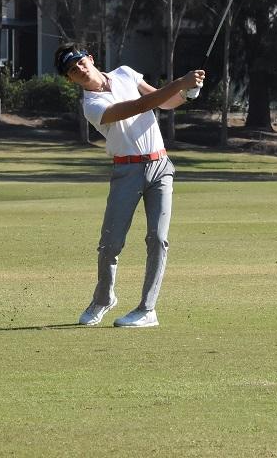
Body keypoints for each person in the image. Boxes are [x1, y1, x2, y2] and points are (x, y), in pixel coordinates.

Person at [56, 43, 205, 328]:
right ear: (70, 79)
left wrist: (188, 92)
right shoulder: (91, 105)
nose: (80, 70)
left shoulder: (125, 73)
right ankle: (103, 299)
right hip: (127, 170)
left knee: (158, 239)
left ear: (90, 58)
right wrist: (179, 82)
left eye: (80, 63)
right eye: (72, 71)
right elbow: (139, 106)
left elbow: (163, 102)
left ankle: (147, 309)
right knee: (110, 243)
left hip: (161, 166)